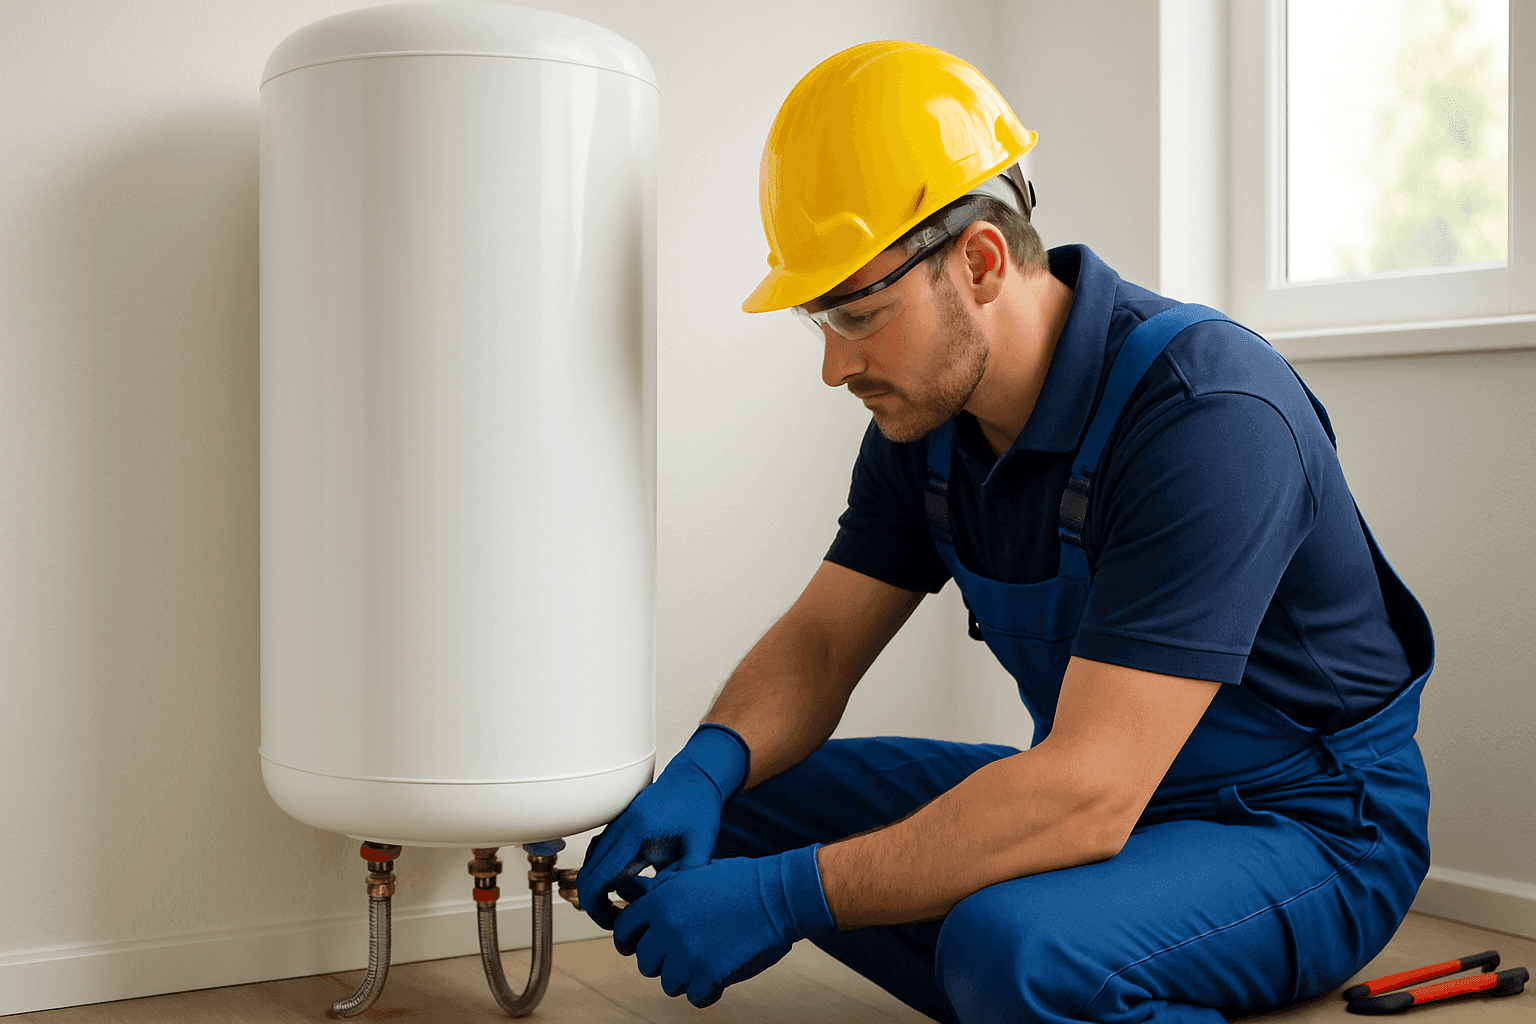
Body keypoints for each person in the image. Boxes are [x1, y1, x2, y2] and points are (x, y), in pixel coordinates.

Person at [576, 40, 1434, 1023]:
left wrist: (788, 895)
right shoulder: (926, 423)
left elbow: (1088, 789)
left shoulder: (1208, 414)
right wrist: (703, 767)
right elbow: (820, 642)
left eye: (857, 312)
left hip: (1304, 831)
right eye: (819, 318)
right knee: (743, 809)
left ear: (981, 262)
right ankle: (1047, 975)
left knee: (1007, 949)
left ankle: (1036, 972)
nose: (832, 367)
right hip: (1104, 800)